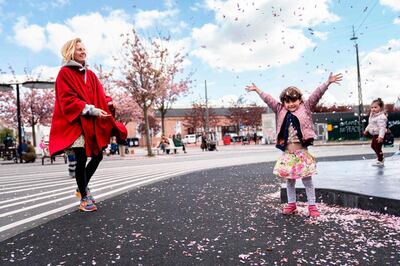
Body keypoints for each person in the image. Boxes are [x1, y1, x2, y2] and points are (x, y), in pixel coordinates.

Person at [246, 72, 343, 218]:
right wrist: (257, 90)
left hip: (302, 153)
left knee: (307, 181)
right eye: (287, 101)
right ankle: (292, 204)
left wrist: (327, 83)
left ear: (300, 100)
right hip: (288, 154)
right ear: (283, 103)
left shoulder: (306, 107)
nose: (291, 104)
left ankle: (312, 206)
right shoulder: (280, 110)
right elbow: (269, 100)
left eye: (294, 100)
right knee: (289, 182)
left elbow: (317, 94)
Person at [49, 37, 127, 212]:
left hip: (90, 124)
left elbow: (100, 95)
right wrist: (91, 110)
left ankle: (81, 187)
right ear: (71, 52)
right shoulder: (64, 74)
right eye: (79, 49)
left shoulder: (90, 75)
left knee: (98, 156)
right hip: (75, 124)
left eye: (84, 49)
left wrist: (109, 103)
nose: (83, 52)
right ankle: (84, 197)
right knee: (82, 157)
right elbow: (67, 100)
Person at [363, 98, 387, 166]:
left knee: (377, 147)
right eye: (372, 107)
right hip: (375, 135)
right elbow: (370, 124)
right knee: (373, 146)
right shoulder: (373, 115)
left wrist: (381, 137)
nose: (373, 109)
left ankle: (380, 160)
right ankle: (380, 157)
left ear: (380, 108)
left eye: (375, 107)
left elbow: (382, 128)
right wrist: (366, 130)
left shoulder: (381, 117)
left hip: (379, 135)